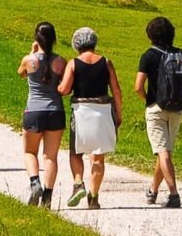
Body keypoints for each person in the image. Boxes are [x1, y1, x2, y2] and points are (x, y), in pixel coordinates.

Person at [59, 27, 122, 209]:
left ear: (76, 44)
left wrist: (54, 86)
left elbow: (64, 89)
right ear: (94, 42)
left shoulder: (73, 63)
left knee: (76, 152)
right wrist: (118, 113)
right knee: (98, 157)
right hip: (103, 111)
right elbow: (116, 90)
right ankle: (93, 196)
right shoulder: (106, 62)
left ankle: (78, 183)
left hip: (81, 111)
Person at [136, 15, 182, 208]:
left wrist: (148, 101)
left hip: (156, 108)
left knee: (163, 152)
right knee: (165, 152)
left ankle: (173, 194)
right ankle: (153, 191)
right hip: (177, 109)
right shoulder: (180, 55)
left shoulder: (149, 56)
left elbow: (138, 86)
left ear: (150, 35)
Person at [19, 21, 67, 206]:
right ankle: (47, 196)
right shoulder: (60, 61)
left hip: (34, 111)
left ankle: (34, 183)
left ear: (36, 39)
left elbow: (21, 73)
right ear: (54, 39)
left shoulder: (29, 60)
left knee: (30, 152)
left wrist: (32, 52)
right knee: (50, 157)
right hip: (55, 111)